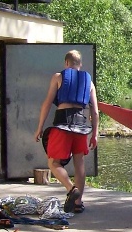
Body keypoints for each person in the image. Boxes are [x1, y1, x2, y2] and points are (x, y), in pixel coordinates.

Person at [34, 50, 99, 213]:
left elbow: (47, 103)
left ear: (66, 63)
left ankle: (71, 189)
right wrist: (95, 134)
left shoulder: (58, 77)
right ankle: (78, 203)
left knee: (53, 163)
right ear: (80, 64)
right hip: (81, 125)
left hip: (63, 123)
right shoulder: (89, 82)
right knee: (79, 163)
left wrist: (40, 127)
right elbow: (95, 112)